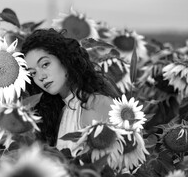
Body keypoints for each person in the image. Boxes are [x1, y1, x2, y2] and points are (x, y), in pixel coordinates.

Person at [21, 28, 122, 156]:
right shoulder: (63, 110)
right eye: (33, 73)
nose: (40, 76)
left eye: (45, 64)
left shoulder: (96, 104)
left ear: (63, 58)